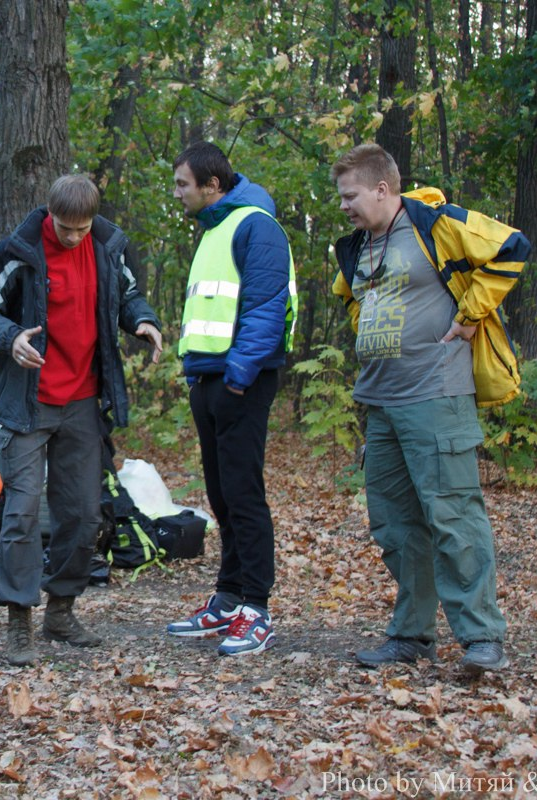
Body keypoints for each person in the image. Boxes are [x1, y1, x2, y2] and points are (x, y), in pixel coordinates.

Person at [330, 143, 528, 674]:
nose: (344, 206)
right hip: (380, 401)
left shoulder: (433, 224)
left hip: (436, 394)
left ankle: (481, 637)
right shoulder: (354, 247)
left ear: (382, 189)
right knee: (395, 526)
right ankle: (412, 636)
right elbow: (350, 296)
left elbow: (512, 246)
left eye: (350, 196)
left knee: (453, 516)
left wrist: (468, 316)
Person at [0, 174, 163, 666]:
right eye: (65, 227)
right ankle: (19, 621)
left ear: (93, 220)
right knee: (22, 513)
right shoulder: (18, 251)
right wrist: (10, 336)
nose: (73, 237)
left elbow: (128, 295)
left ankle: (61, 611)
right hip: (27, 402)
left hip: (84, 401)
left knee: (83, 514)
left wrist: (143, 320)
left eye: (82, 228)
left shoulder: (109, 247)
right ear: (49, 213)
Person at [165, 141, 298, 656]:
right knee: (222, 496)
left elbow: (267, 305)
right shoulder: (215, 230)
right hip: (208, 379)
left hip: (240, 380)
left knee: (243, 495)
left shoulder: (256, 226)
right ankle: (228, 597)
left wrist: (240, 375)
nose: (178, 193)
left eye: (183, 184)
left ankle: (256, 608)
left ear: (212, 185)